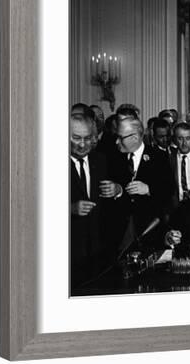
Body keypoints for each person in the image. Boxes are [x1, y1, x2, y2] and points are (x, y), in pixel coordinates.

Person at [108, 117, 174, 254]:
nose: (116, 142)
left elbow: (169, 191)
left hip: (151, 231)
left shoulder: (159, 157)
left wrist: (149, 189)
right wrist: (118, 190)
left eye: (121, 138)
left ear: (135, 137)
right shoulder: (113, 158)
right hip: (121, 234)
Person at [69, 114, 116, 288]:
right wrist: (69, 209)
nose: (82, 144)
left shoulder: (101, 160)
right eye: (76, 138)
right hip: (68, 251)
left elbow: (115, 207)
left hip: (98, 251)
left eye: (88, 138)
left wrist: (116, 189)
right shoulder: (48, 163)